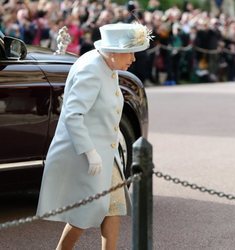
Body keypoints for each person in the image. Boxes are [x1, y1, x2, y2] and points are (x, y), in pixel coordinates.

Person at [36, 22, 152, 250]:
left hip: (106, 154)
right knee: (84, 215)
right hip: (87, 155)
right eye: (131, 52)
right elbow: (73, 115)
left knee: (113, 208)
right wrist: (90, 152)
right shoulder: (92, 68)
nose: (134, 59)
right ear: (115, 51)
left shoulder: (106, 65)